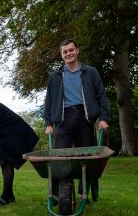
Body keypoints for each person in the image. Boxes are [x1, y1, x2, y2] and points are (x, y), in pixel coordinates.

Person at [44, 39, 110, 199]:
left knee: (85, 158)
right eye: (65, 52)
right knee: (59, 158)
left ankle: (82, 193)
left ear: (77, 50)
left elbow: (101, 95)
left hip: (84, 117)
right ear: (61, 55)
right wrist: (48, 123)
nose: (68, 53)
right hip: (63, 118)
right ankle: (56, 193)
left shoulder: (90, 72)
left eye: (71, 50)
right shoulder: (56, 76)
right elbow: (49, 100)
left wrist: (103, 118)